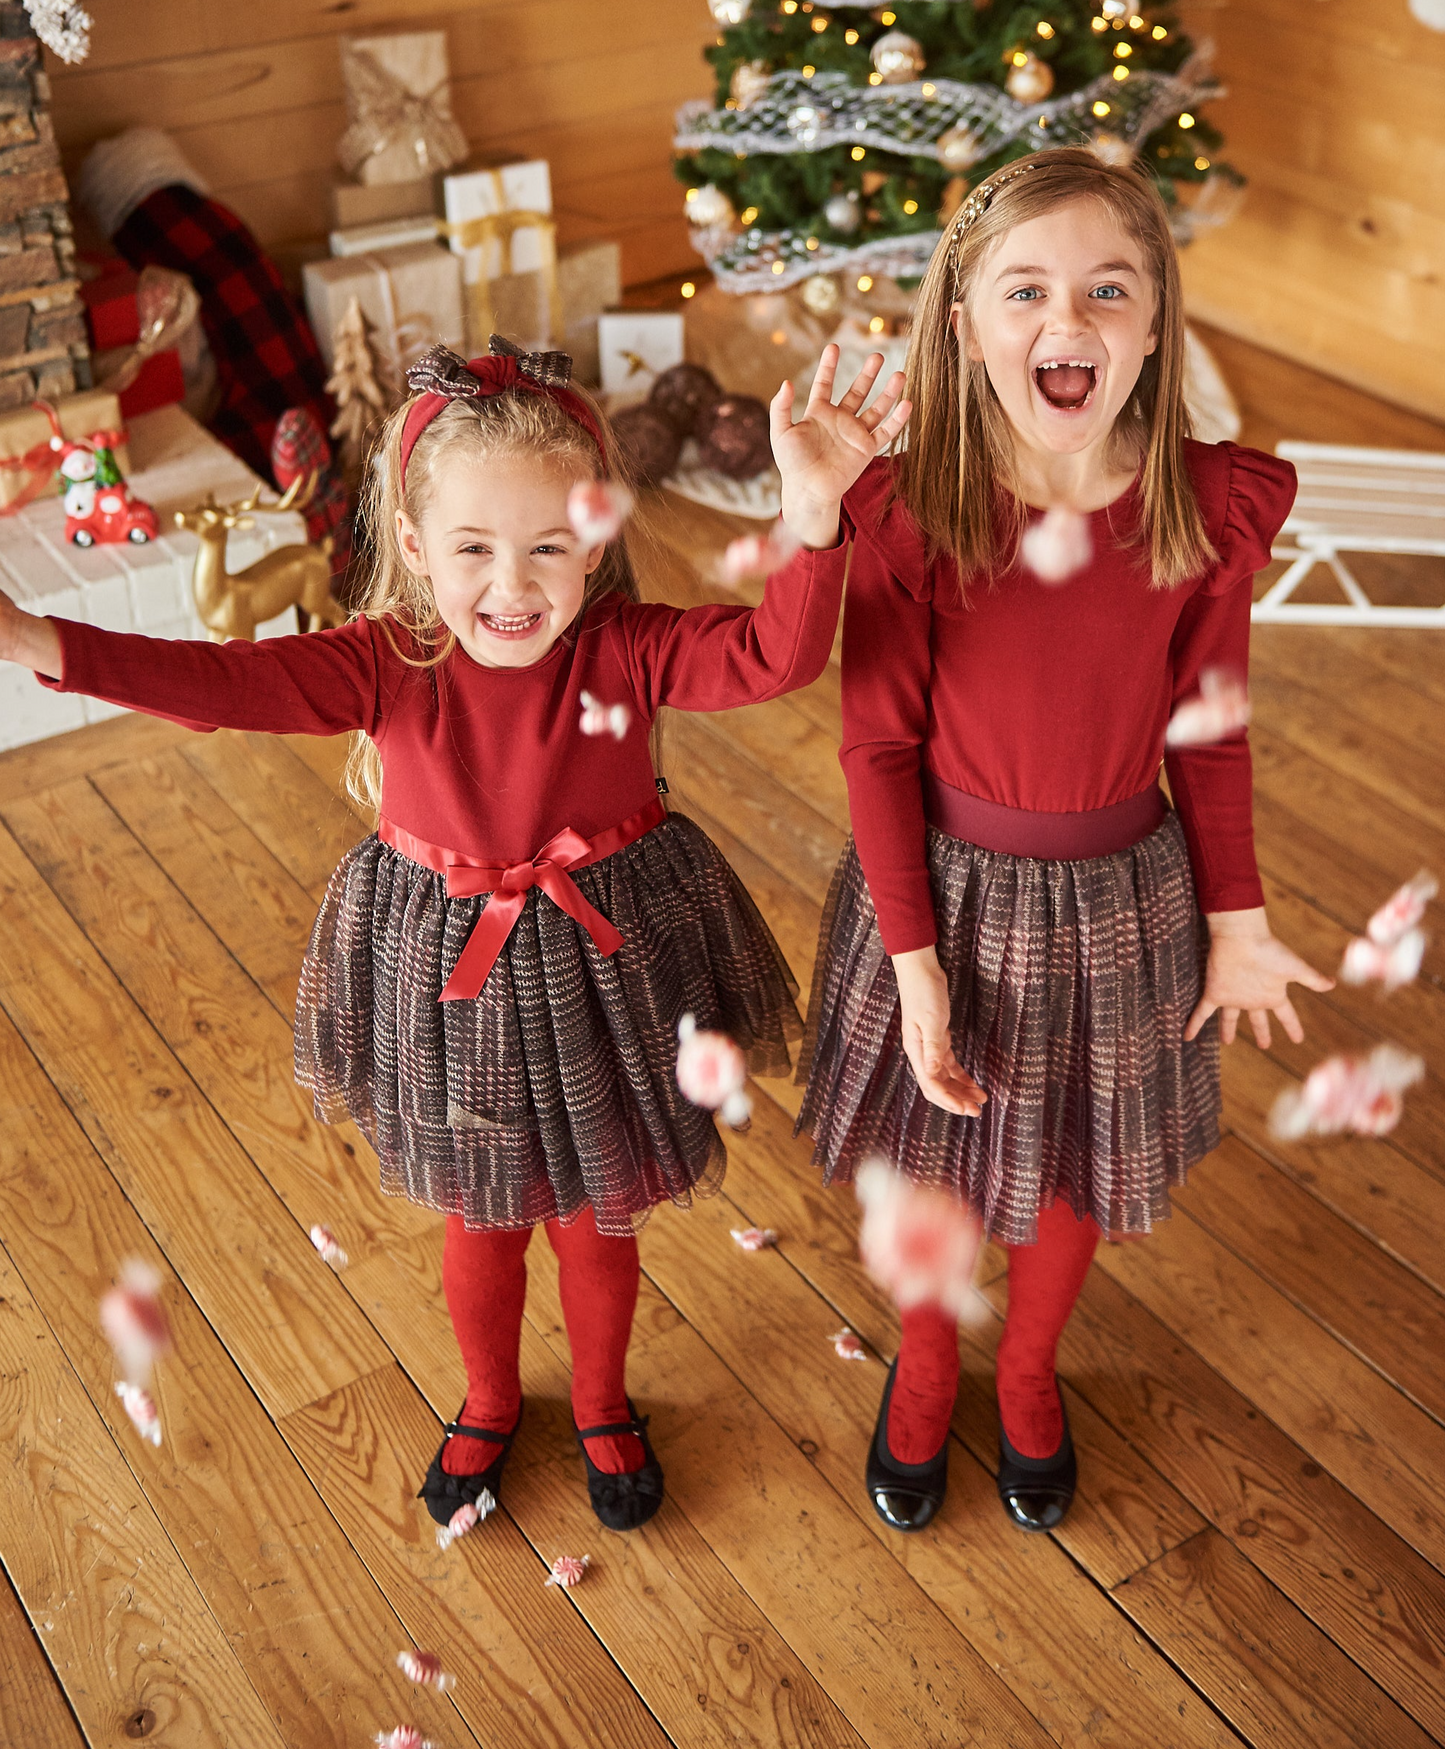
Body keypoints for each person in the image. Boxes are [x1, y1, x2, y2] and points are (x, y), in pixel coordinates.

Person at [1, 336, 908, 1534]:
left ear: (593, 540)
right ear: (417, 550)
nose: (511, 585)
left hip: (606, 958)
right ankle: (487, 1394)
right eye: (473, 549)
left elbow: (772, 654)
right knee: (482, 1213)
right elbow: (216, 683)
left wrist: (811, 513)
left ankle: (597, 1398)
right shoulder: (389, 663)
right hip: (449, 975)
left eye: (547, 548)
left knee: (598, 1212)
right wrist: (32, 641)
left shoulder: (623, 649)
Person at [797, 150, 1333, 1535]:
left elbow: (1209, 728)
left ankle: (1028, 1369)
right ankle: (924, 1368)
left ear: (1156, 321)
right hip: (944, 906)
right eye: (1024, 291)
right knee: (937, 1165)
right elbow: (876, 749)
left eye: (1108, 289)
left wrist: (1238, 914)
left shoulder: (1202, 508)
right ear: (964, 323)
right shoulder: (914, 513)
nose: (1067, 322)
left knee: (1071, 1161)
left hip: (1121, 903)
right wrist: (913, 967)